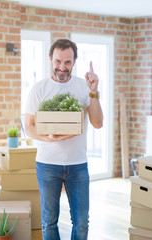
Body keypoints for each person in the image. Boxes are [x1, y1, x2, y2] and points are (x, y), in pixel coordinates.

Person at [24, 39, 103, 240]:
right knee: (49, 221)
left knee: (82, 222)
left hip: (78, 164)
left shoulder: (83, 86)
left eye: (67, 62)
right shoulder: (38, 89)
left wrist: (93, 92)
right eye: (58, 61)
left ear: (74, 62)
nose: (62, 67)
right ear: (50, 59)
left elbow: (98, 123)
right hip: (47, 163)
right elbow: (29, 127)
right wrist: (48, 138)